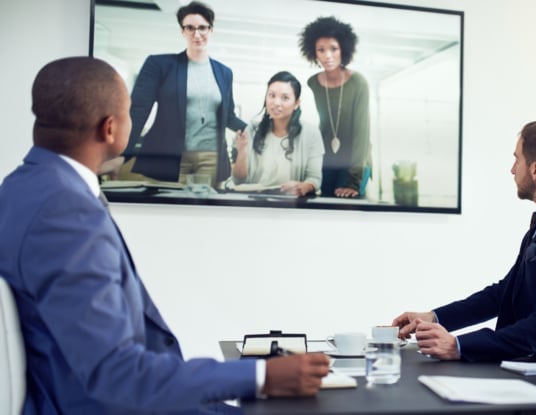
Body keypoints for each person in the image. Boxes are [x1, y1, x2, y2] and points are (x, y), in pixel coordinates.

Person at [0, 56, 329, 414]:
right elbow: (117, 374)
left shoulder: (23, 187)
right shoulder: (64, 210)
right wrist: (262, 375)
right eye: (130, 112)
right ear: (111, 129)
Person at [392, 121, 536, 362]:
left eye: (517, 160)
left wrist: (458, 346)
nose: (512, 169)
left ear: (535, 170)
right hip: (527, 367)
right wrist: (433, 317)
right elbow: (504, 293)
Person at [120, 1, 246, 187]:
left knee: (204, 212)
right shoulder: (160, 65)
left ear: (211, 30)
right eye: (190, 28)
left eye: (202, 28)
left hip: (211, 156)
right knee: (168, 211)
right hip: (170, 156)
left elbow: (228, 116)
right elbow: (138, 110)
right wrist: (122, 153)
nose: (197, 34)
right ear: (182, 31)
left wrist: (256, 129)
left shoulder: (224, 72)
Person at [299, 16, 372, 198]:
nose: (328, 55)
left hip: (356, 162)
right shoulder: (312, 83)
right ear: (314, 53)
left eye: (334, 49)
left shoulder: (358, 82)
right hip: (327, 161)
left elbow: (362, 134)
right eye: (321, 50)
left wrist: (353, 181)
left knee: (347, 206)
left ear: (343, 50)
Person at [230, 71, 323, 196]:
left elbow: (315, 179)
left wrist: (302, 187)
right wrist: (242, 152)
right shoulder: (252, 130)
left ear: (296, 104)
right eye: (272, 95)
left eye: (285, 98)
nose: (276, 102)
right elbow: (238, 180)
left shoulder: (311, 134)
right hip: (255, 203)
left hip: (292, 204)